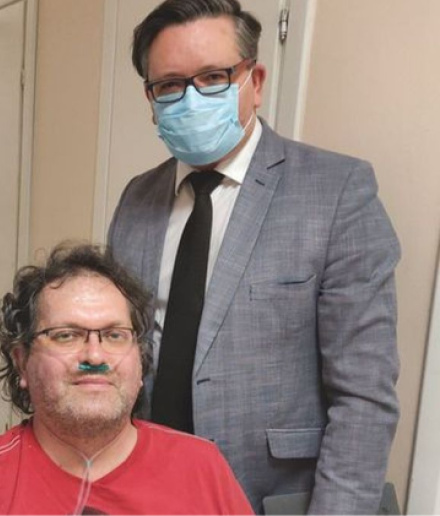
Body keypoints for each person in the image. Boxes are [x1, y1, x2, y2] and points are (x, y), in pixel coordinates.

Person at [107, 0, 400, 513]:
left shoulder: (336, 192)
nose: (191, 98)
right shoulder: (137, 199)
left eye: (213, 77)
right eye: (170, 85)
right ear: (150, 99)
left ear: (255, 80)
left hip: (268, 495)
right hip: (145, 488)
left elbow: (364, 398)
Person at [0, 243, 252, 515]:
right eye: (66, 335)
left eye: (115, 335)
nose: (95, 356)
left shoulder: (201, 467)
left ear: (140, 360)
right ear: (22, 362)